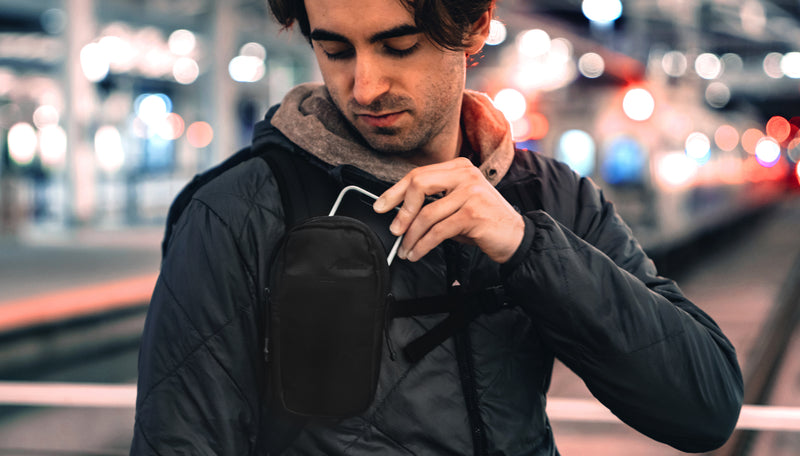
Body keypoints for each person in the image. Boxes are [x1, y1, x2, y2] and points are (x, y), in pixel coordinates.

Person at [131, 0, 744, 454]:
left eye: (398, 46)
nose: (365, 86)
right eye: (336, 50)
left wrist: (526, 247)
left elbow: (706, 406)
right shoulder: (237, 212)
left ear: (475, 24)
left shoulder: (549, 197)